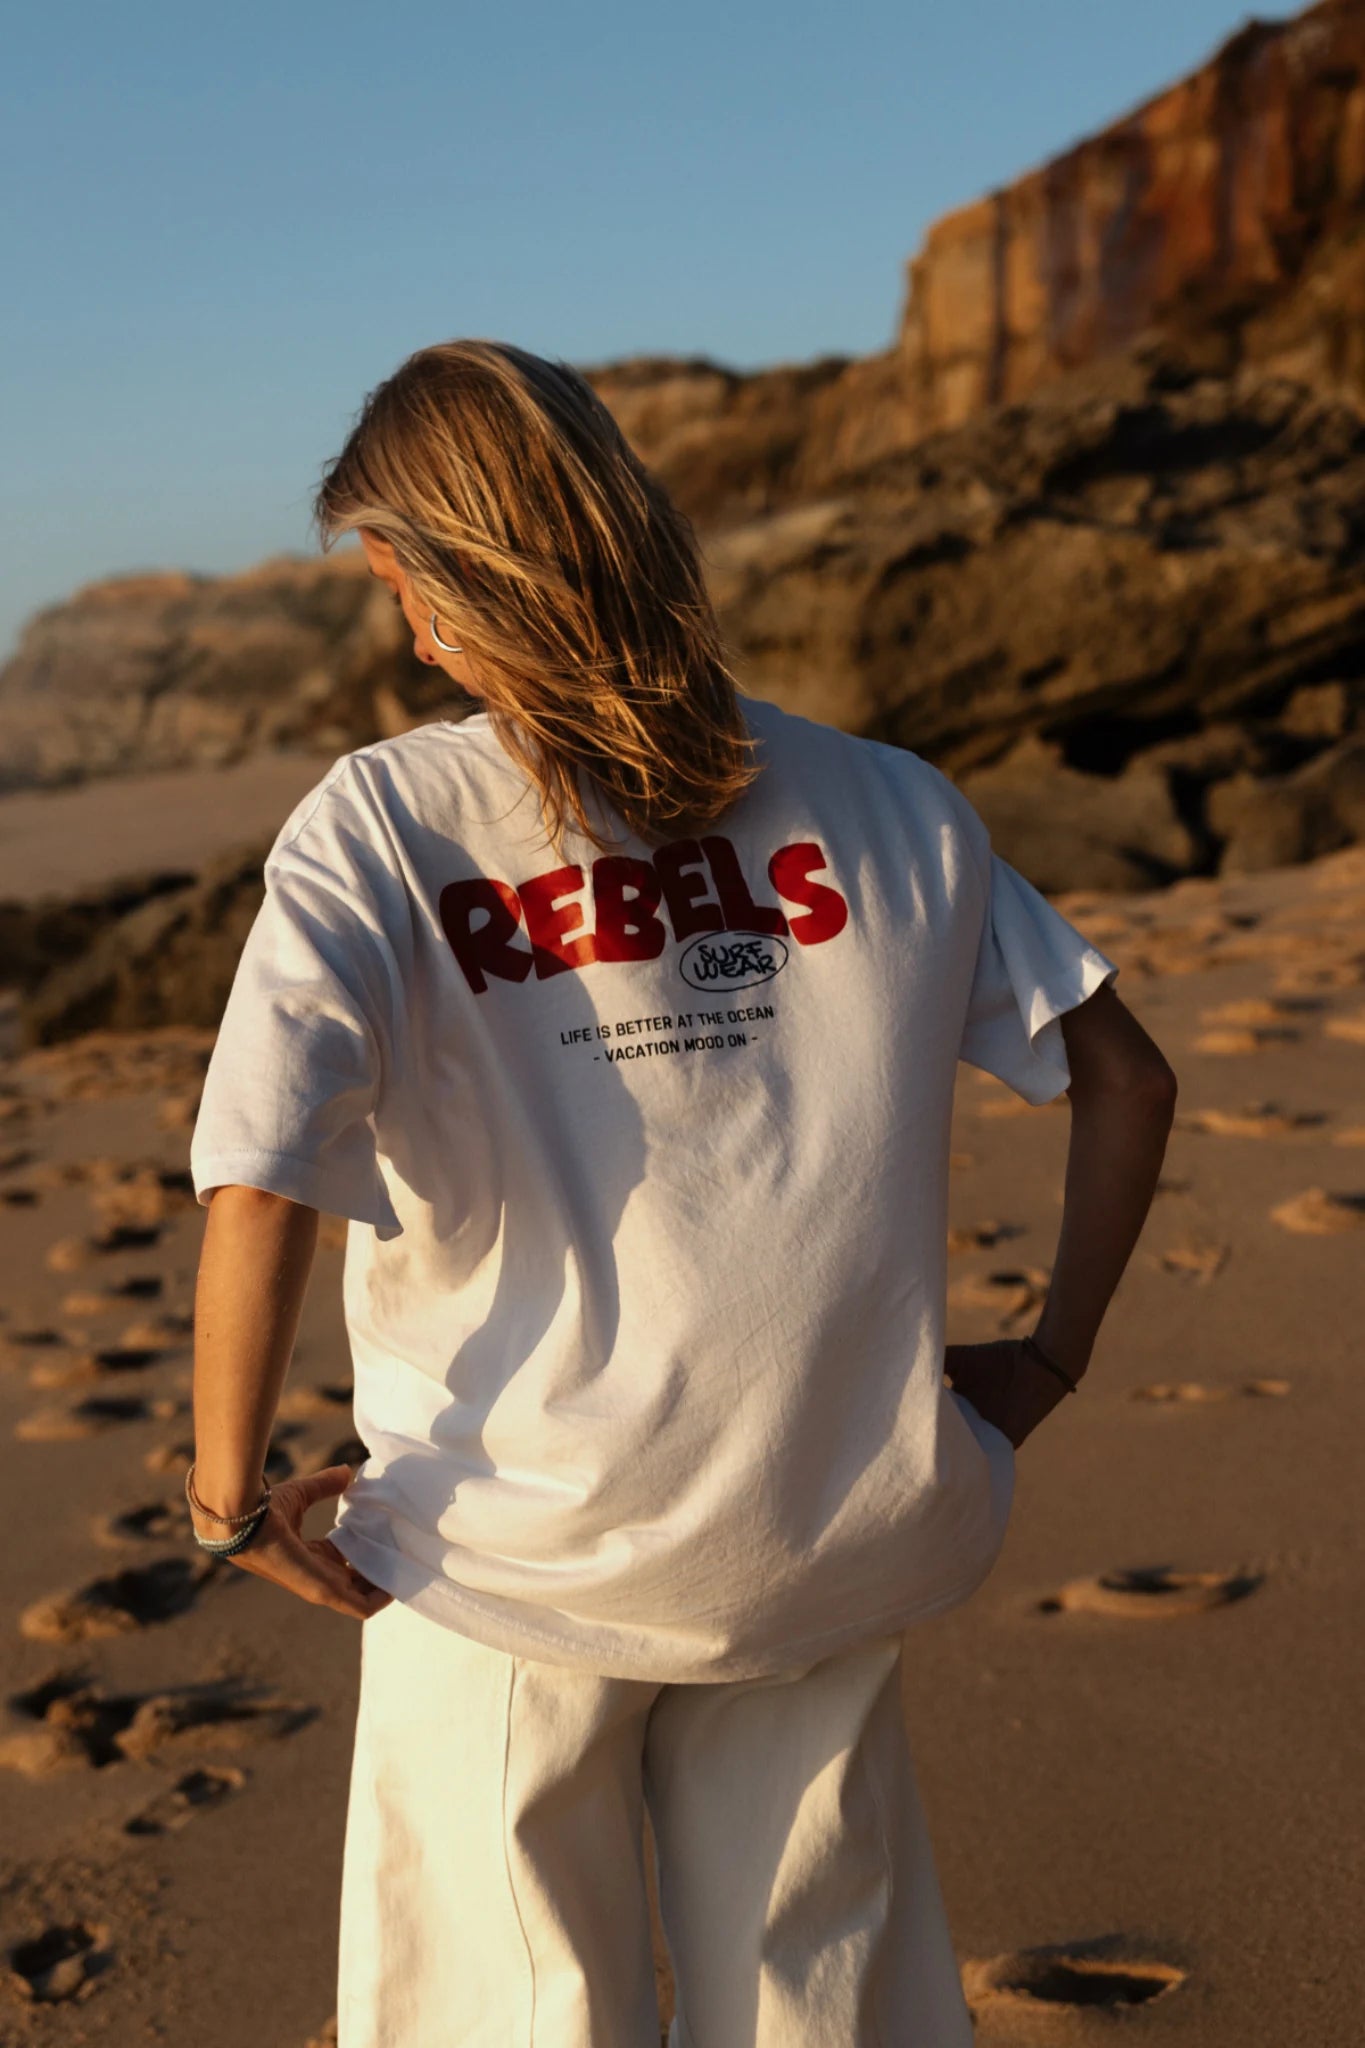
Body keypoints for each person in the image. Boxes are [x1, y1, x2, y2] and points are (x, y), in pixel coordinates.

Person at [186, 338, 1177, 2048]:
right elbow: (1126, 1075)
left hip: (514, 1540)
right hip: (818, 1517)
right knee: (821, 1985)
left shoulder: (387, 815)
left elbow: (260, 1176)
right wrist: (1053, 1357)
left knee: (503, 1999)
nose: (409, 631)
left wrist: (220, 1504)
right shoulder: (885, 800)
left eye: (406, 583)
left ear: (468, 580)